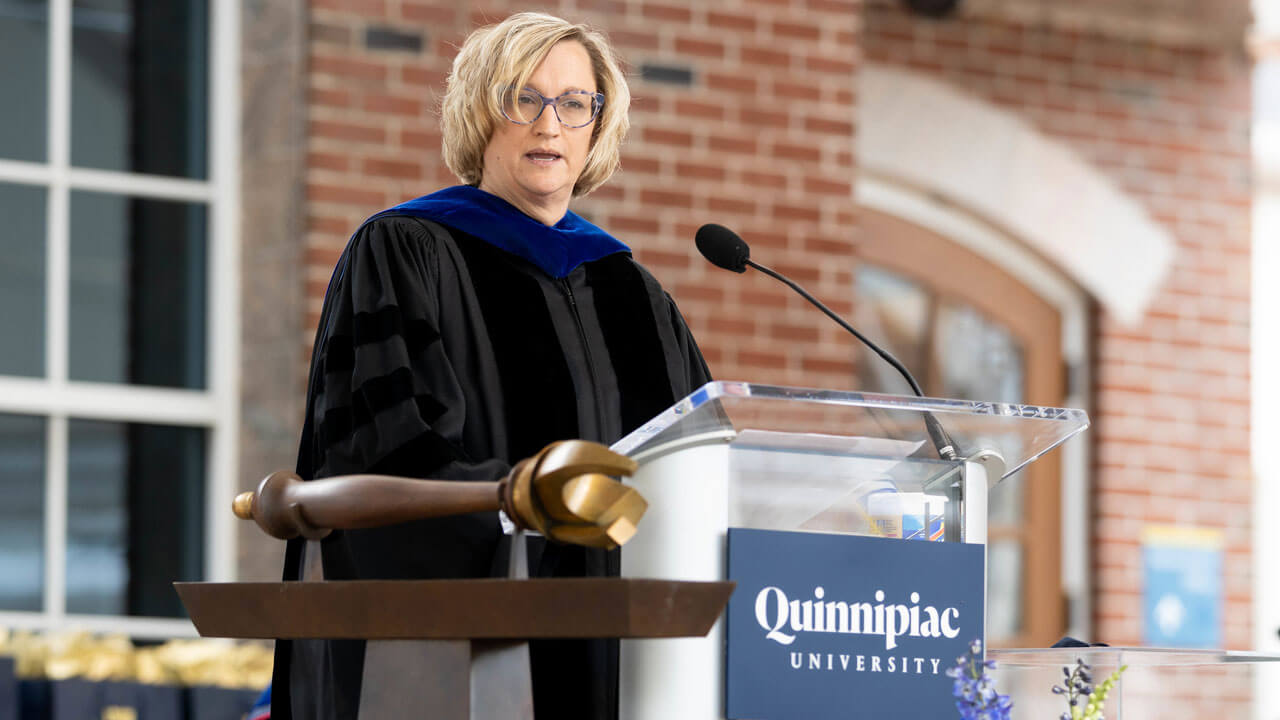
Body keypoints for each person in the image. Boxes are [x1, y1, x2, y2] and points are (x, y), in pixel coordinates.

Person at [271, 12, 711, 720]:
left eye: (574, 103)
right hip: (464, 657)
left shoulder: (634, 293)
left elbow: (693, 469)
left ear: (597, 125)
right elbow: (382, 454)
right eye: (523, 97)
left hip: (627, 660)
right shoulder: (405, 251)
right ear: (482, 112)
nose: (549, 125)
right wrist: (522, 505)